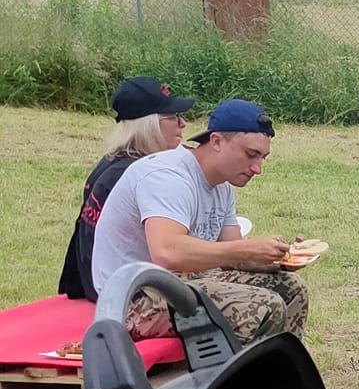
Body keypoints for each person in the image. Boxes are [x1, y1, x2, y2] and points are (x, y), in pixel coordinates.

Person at [90, 98, 311, 346]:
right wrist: (247, 248)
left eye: (262, 157)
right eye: (251, 155)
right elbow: (167, 252)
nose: (257, 168)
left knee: (292, 289)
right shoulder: (168, 177)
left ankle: (282, 368)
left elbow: (232, 255)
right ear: (216, 141)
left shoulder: (221, 185)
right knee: (264, 305)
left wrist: (279, 258)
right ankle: (242, 371)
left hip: (179, 283)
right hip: (132, 299)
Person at [58, 75, 199, 302]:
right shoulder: (141, 174)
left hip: (98, 280)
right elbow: (167, 250)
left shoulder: (113, 162)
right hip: (122, 290)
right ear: (149, 125)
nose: (183, 123)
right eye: (173, 116)